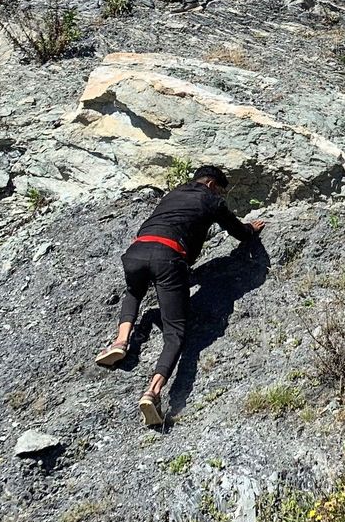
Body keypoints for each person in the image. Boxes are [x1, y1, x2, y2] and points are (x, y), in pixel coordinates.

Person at [93, 165, 266, 426]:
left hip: (137, 251)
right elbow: (237, 231)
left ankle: (120, 342)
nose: (220, 195)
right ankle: (153, 393)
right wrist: (251, 230)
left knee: (134, 291)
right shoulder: (210, 199)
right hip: (168, 257)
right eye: (220, 190)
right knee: (175, 332)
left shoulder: (172, 194)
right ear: (211, 185)